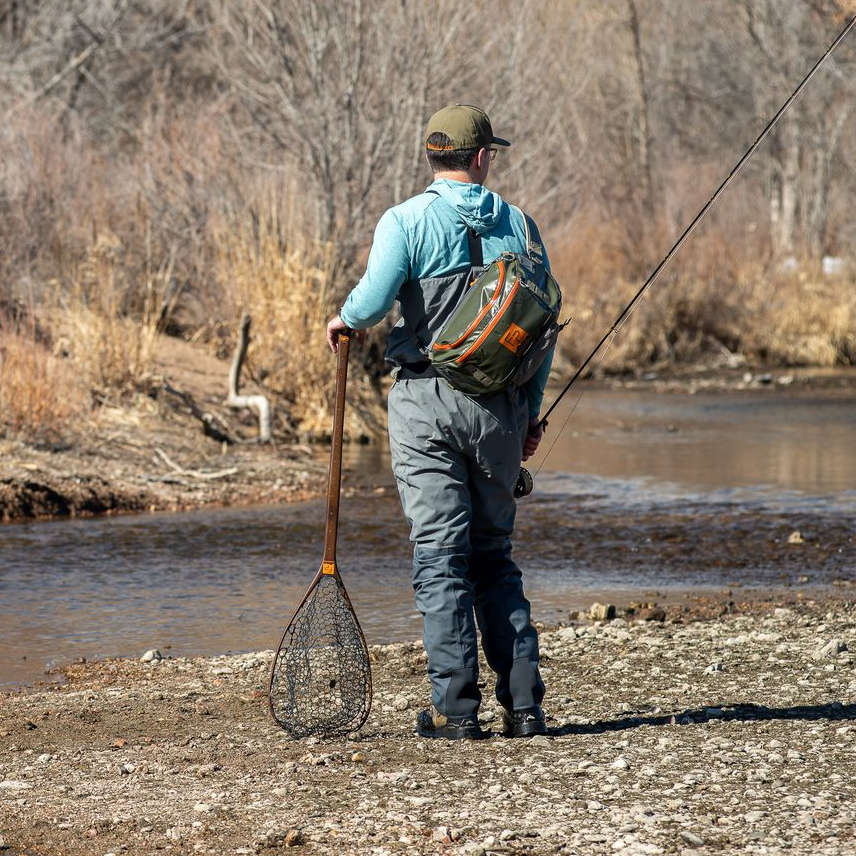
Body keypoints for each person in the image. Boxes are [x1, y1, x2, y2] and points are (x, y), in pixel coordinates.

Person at [326, 104, 553, 740]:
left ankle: (456, 712)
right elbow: (542, 329)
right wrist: (529, 413)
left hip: (424, 402)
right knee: (494, 556)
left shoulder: (404, 220)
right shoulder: (522, 227)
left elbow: (373, 303)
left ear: (433, 156)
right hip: (501, 410)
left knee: (441, 554)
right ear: (481, 157)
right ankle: (524, 708)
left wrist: (344, 319)